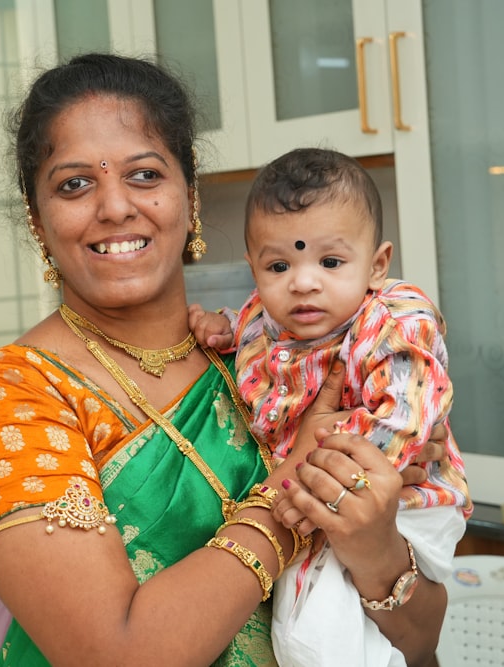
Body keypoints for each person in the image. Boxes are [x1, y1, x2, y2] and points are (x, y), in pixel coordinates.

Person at [0, 52, 455, 667]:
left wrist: (374, 549)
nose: (114, 208)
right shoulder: (13, 394)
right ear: (37, 217)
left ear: (189, 197)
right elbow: (117, 657)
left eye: (144, 175)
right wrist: (290, 486)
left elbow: (421, 640)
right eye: (74, 183)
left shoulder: (272, 362)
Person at [187, 147, 471, 664]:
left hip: (406, 498)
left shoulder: (393, 321)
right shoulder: (271, 317)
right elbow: (254, 331)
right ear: (254, 269)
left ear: (377, 264)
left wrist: (308, 484)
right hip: (326, 500)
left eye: (331, 261)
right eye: (279, 265)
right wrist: (223, 326)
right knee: (300, 632)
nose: (303, 281)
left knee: (321, 638)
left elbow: (406, 421)